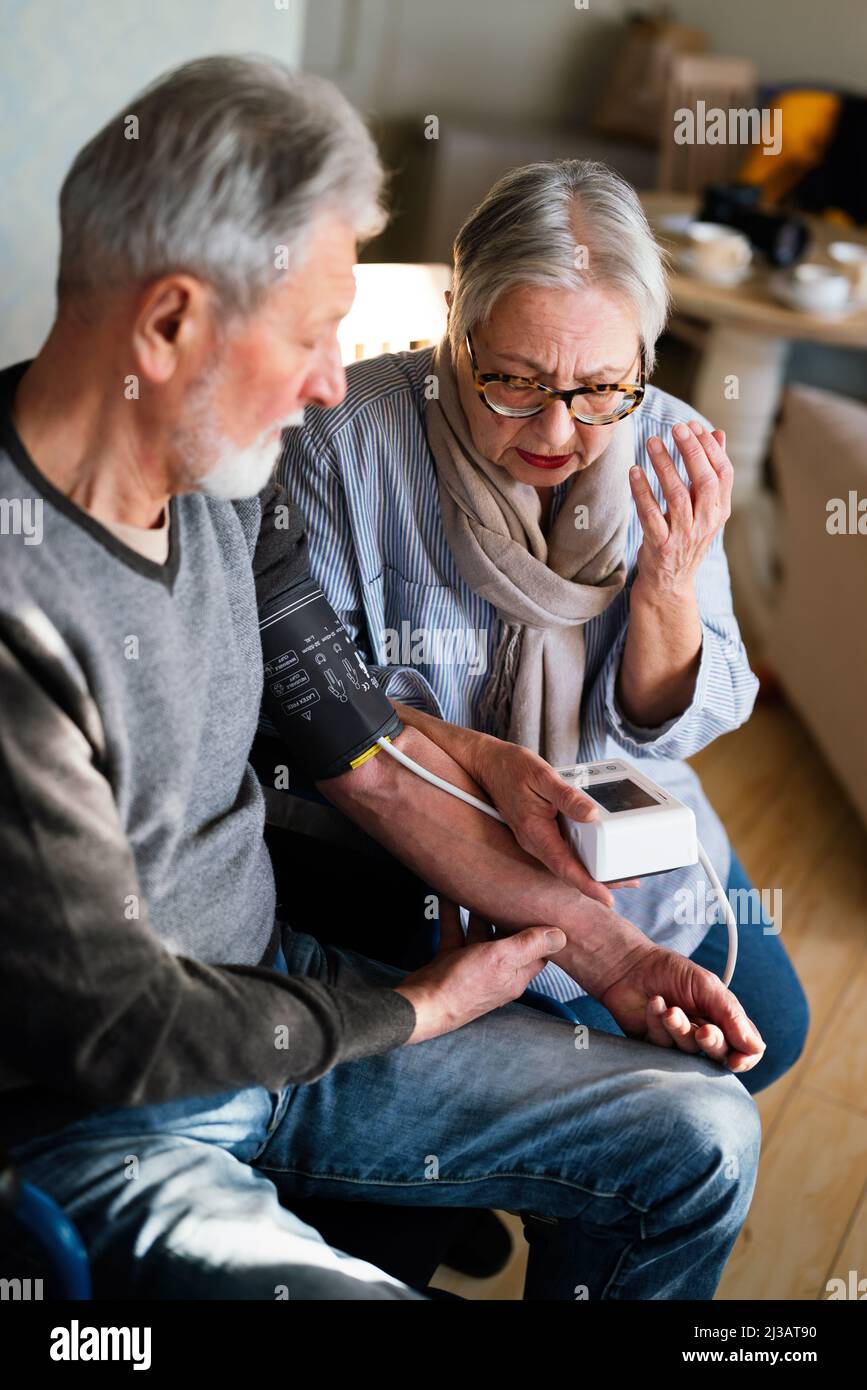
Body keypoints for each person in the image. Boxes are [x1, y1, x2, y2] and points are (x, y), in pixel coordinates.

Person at [0, 56, 764, 1301]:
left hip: (292, 1008)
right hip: (122, 1117)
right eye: (310, 337)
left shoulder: (226, 495)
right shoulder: (21, 607)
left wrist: (609, 955)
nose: (328, 383)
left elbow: (357, 746)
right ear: (171, 324)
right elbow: (121, 1026)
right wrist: (414, 1009)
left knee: (705, 1134)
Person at [279, 158, 810, 1091]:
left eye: (603, 388)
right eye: (513, 381)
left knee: (768, 1032)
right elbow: (326, 710)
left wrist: (667, 588)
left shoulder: (674, 444)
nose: (558, 432)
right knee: (496, 1077)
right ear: (459, 330)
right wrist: (480, 776)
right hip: (407, 835)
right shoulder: (342, 442)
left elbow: (682, 726)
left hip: (615, 822)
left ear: (645, 359)